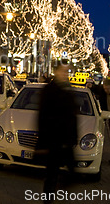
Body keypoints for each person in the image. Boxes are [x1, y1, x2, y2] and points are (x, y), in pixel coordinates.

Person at [35, 64, 78, 203]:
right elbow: (41, 116)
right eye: (62, 71)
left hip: (66, 140)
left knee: (72, 173)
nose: (65, 74)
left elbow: (73, 116)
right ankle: (48, 200)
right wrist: (42, 142)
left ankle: (59, 191)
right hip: (53, 139)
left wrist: (73, 137)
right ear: (56, 72)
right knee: (51, 175)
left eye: (67, 71)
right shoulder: (49, 90)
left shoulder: (68, 89)